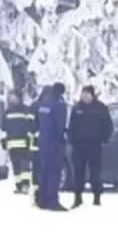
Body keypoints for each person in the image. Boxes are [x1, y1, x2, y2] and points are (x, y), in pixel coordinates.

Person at [67, 85, 114, 207]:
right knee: (78, 172)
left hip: (94, 145)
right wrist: (72, 140)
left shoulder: (100, 108)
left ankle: (97, 197)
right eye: (83, 94)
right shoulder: (77, 108)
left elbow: (108, 126)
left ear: (92, 95)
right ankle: (78, 197)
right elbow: (71, 127)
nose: (84, 97)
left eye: (87, 94)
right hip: (79, 146)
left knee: (95, 172)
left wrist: (103, 138)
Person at [34, 82, 70, 211]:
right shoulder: (59, 105)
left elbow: (38, 122)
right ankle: (53, 201)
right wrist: (62, 138)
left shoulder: (44, 103)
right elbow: (60, 124)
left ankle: (42, 200)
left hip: (43, 142)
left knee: (45, 172)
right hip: (55, 143)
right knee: (55, 173)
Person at [1, 91, 36, 194]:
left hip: (24, 143)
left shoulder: (26, 110)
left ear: (19, 98)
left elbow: (31, 126)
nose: (12, 99)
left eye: (14, 97)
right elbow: (4, 128)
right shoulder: (7, 112)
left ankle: (25, 185)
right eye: (11, 97)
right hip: (12, 144)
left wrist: (30, 139)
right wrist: (4, 140)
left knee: (25, 166)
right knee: (15, 166)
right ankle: (18, 186)